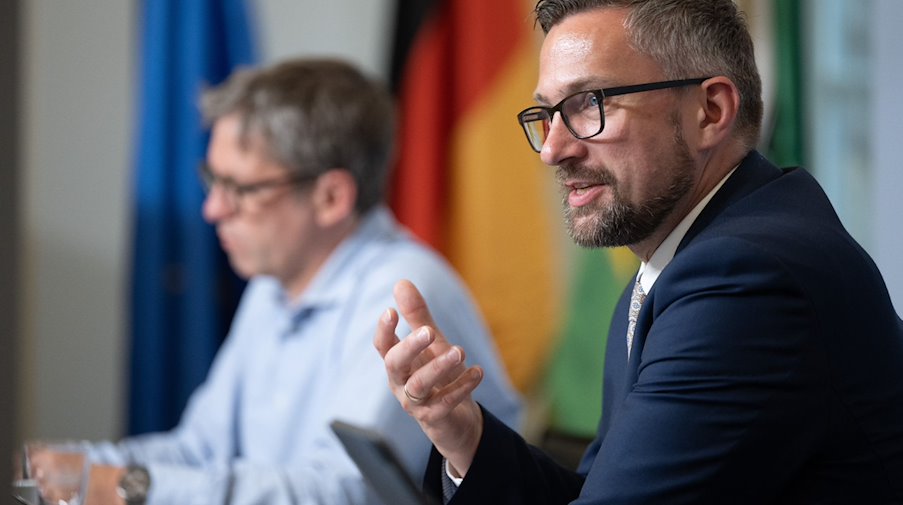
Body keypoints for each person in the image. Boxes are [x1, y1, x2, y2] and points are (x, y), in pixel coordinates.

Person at [374, 1, 903, 503]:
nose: (554, 150)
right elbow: (599, 490)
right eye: (547, 114)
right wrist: (464, 435)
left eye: (589, 104)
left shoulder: (746, 280)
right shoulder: (676, 265)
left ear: (710, 110)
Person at [27, 58, 521, 505]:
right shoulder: (274, 281)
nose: (213, 209)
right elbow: (200, 449)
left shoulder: (402, 296)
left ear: (330, 197)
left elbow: (340, 494)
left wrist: (123, 487)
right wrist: (51, 467)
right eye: (212, 180)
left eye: (240, 188)